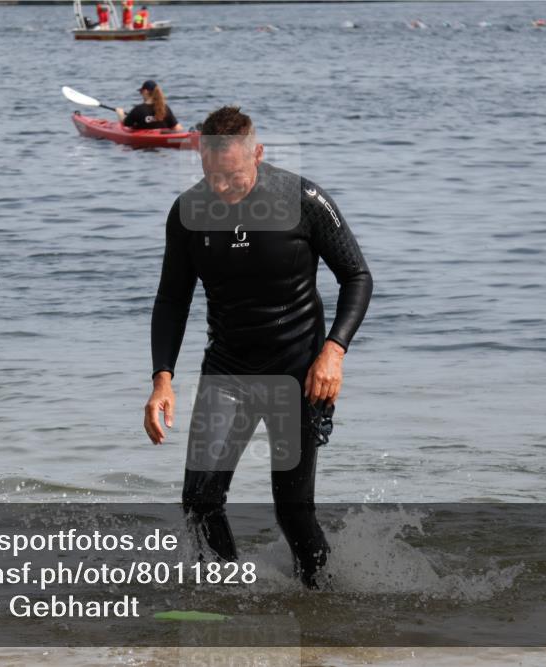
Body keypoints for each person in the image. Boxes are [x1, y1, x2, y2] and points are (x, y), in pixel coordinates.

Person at [144, 106, 372, 588]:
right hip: (228, 369)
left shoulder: (303, 199)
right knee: (199, 501)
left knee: (293, 510)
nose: (223, 187)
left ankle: (323, 604)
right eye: (213, 176)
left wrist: (334, 352)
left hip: (300, 373)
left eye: (234, 176)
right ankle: (228, 599)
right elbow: (172, 299)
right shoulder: (188, 213)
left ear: (258, 154)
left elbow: (357, 276)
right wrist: (162, 378)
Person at [115, 80, 182, 131]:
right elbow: (178, 128)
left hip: (144, 142)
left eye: (141, 92)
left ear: (145, 91)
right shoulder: (165, 108)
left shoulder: (138, 110)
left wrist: (120, 114)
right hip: (163, 141)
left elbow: (126, 124)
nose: (141, 94)